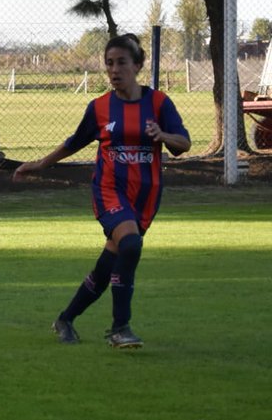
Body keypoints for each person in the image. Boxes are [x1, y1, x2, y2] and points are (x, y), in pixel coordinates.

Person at [13, 33, 191, 349]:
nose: (114, 70)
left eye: (121, 62)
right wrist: (40, 164)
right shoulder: (99, 108)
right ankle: (120, 328)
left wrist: (162, 135)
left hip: (145, 198)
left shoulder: (159, 103)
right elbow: (74, 142)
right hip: (109, 192)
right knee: (131, 245)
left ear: (138, 64)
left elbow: (184, 143)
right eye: (109, 63)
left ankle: (65, 319)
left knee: (108, 267)